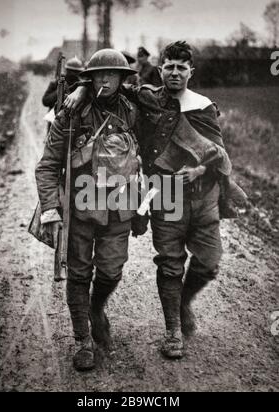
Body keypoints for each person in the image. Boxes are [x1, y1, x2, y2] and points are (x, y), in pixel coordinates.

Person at [64, 41, 247, 360]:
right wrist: (80, 88)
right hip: (165, 192)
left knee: (209, 263)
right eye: (169, 66)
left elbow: (218, 152)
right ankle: (173, 330)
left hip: (203, 195)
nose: (175, 72)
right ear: (160, 69)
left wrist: (200, 168)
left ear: (191, 71)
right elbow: (108, 84)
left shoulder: (204, 107)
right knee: (170, 261)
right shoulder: (147, 97)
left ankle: (183, 302)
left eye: (181, 67)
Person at [35, 49, 140, 371]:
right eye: (98, 75)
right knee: (79, 275)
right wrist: (51, 209)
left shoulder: (133, 110)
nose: (105, 80)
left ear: (123, 79)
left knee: (111, 270)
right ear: (89, 77)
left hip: (119, 207)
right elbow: (48, 166)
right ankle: (83, 340)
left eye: (112, 74)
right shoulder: (71, 114)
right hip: (80, 210)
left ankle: (96, 310)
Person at [42, 56, 84, 131]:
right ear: (67, 70)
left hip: (74, 124)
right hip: (55, 122)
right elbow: (45, 101)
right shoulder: (57, 83)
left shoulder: (81, 87)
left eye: (76, 72)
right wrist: (59, 91)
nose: (73, 74)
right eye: (71, 71)